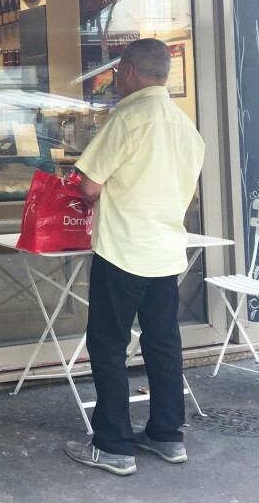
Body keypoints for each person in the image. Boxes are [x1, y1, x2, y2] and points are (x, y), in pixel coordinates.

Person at [64, 38, 205, 476]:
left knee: (109, 346)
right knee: (163, 345)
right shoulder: (186, 128)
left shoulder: (128, 118)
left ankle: (113, 444)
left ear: (127, 70)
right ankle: (167, 435)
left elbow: (88, 185)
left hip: (122, 250)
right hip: (166, 252)